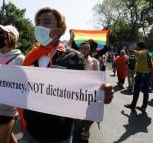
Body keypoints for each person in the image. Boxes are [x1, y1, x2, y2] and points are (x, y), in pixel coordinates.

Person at [20, 7, 114, 143]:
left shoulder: (74, 57)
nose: (39, 26)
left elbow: (86, 90)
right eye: (37, 22)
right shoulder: (31, 56)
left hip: (59, 135)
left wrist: (102, 91)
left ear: (58, 30)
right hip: (31, 131)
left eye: (46, 22)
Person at [71, 40, 99, 143]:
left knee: (88, 118)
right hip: (76, 94)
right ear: (79, 49)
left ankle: (86, 132)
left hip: (89, 95)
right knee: (76, 120)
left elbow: (97, 78)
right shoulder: (74, 60)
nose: (84, 50)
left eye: (86, 48)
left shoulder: (95, 62)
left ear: (89, 50)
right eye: (81, 48)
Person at [124, 42, 150, 112]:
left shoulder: (143, 52)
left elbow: (138, 53)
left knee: (136, 91)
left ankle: (133, 105)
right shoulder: (147, 53)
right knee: (145, 92)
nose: (137, 48)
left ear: (140, 47)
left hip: (141, 75)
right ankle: (144, 107)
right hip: (147, 74)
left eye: (137, 46)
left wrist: (132, 50)